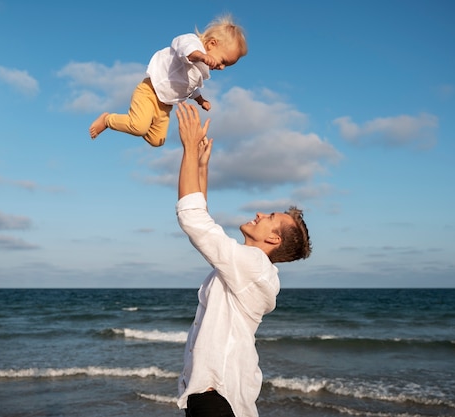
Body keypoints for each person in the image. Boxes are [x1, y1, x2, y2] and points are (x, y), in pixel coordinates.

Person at [174, 102, 312, 417]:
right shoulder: (245, 266)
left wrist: (188, 149)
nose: (261, 213)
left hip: (217, 398)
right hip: (211, 395)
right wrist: (202, 166)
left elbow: (193, 219)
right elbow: (204, 222)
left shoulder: (253, 267)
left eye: (270, 217)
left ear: (274, 239)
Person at [88, 15, 247, 147]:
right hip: (150, 91)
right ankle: (108, 120)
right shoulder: (192, 43)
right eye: (223, 61)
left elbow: (190, 88)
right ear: (212, 44)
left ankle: (144, 121)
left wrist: (200, 100)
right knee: (139, 127)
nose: (222, 67)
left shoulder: (201, 71)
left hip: (164, 105)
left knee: (158, 141)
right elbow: (185, 50)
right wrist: (201, 56)